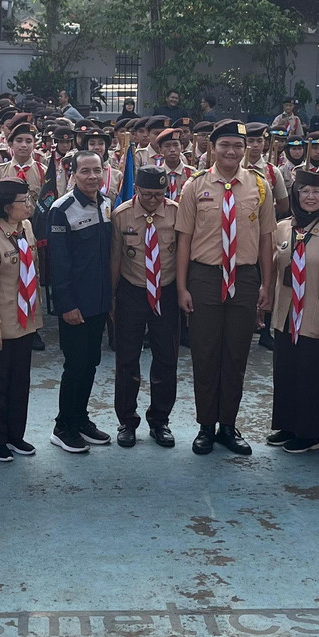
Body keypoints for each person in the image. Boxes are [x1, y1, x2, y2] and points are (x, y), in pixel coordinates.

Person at [176, 120, 276, 456]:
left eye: (237, 146)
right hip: (204, 277)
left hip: (245, 278)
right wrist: (182, 287)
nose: (231, 152)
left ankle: (228, 426)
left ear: (245, 149)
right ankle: (206, 426)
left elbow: (266, 239)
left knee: (236, 355)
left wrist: (266, 283)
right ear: (212, 148)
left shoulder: (260, 187)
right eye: (224, 145)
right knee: (205, 354)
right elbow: (184, 240)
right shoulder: (195, 186)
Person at [265, 170, 319, 453]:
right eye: (304, 192)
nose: (310, 197)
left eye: (316, 192)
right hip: (286, 311)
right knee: (287, 370)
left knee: (313, 372)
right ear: (295, 195)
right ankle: (287, 424)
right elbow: (275, 269)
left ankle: (309, 432)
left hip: (316, 310)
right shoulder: (284, 228)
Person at [47, 151, 113, 453]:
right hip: (75, 304)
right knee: (75, 365)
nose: (92, 177)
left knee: (91, 363)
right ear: (73, 173)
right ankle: (63, 427)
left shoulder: (106, 204)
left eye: (97, 171)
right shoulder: (62, 209)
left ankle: (80, 419)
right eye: (85, 171)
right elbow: (58, 264)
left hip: (98, 302)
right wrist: (67, 304)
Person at [109, 166, 180, 448]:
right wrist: (111, 299)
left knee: (166, 358)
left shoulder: (176, 212)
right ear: (136, 190)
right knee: (127, 360)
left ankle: (160, 421)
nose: (153, 200)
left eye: (159, 195)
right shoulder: (121, 214)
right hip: (133, 290)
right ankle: (127, 421)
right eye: (147, 194)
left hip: (167, 291)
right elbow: (115, 257)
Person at [0, 179, 42, 461]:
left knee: (20, 380)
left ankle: (16, 435)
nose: (28, 205)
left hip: (24, 319)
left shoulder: (24, 228)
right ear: (5, 207)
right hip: (0, 324)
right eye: (22, 201)